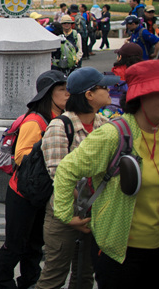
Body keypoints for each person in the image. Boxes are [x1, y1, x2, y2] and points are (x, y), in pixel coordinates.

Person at [52, 60, 159, 289]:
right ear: (141, 96)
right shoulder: (113, 134)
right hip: (119, 251)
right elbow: (66, 169)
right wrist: (65, 214)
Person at [36, 68, 118, 289]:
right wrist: (78, 208)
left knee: (85, 274)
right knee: (54, 276)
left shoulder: (105, 124)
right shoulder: (60, 126)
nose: (109, 90)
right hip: (65, 214)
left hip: (95, 212)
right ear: (89, 94)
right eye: (103, 87)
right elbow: (58, 174)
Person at [0, 70, 69, 289]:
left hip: (41, 192)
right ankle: (3, 282)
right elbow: (20, 156)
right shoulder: (35, 121)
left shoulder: (61, 119)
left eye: (68, 89)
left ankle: (28, 280)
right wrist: (50, 153)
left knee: (35, 244)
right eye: (62, 90)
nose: (67, 94)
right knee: (15, 245)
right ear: (48, 94)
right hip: (22, 193)